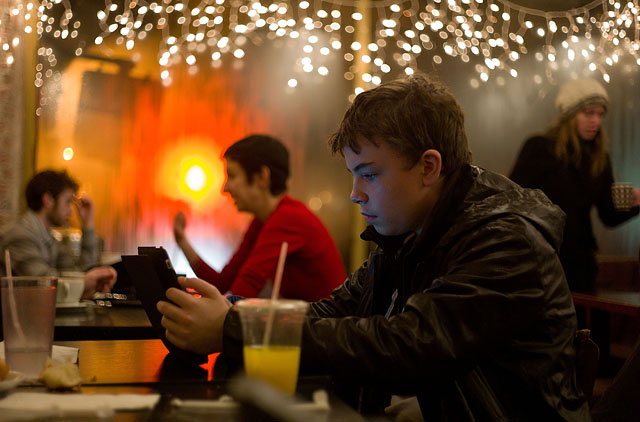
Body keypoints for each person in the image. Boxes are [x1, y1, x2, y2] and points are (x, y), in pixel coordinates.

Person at [158, 75, 589, 420]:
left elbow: (408, 343)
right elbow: (333, 311)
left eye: (369, 174)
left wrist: (234, 330)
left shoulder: (505, 239)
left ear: (428, 167)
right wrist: (231, 318)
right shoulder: (410, 235)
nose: (355, 194)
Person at [173, 134, 345, 301]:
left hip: (326, 327)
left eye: (232, 176)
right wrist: (182, 240)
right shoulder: (263, 221)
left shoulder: (287, 218)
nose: (225, 188)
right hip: (308, 325)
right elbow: (222, 284)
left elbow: (241, 294)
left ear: (262, 177)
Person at [510, 78, 640, 293]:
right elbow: (512, 202)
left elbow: (608, 215)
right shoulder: (540, 148)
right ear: (569, 115)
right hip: (541, 260)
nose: (595, 121)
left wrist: (636, 203)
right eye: (588, 113)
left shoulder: (599, 157)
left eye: (600, 114)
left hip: (581, 264)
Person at [0, 169, 116, 300]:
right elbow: (44, 284)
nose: (71, 211)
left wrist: (87, 224)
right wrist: (84, 282)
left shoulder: (49, 238)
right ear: (48, 200)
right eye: (67, 202)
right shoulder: (19, 236)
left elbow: (79, 270)